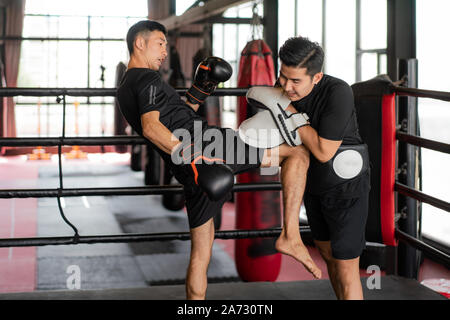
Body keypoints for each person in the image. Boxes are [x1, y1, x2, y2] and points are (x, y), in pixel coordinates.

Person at [117, 20, 322, 300]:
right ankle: (290, 235)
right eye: (160, 43)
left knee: (201, 254)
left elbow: (176, 118)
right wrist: (197, 159)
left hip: (192, 171)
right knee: (296, 151)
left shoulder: (129, 84)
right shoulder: (146, 78)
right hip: (210, 150)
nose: (165, 51)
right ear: (139, 43)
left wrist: (201, 89)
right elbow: (153, 128)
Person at [274, 36, 371, 300]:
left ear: (316, 78)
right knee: (327, 256)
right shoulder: (282, 89)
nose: (286, 86)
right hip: (312, 183)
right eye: (283, 77)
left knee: (346, 266)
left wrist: (289, 111)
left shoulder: (338, 91)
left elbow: (323, 151)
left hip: (345, 185)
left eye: (296, 81)